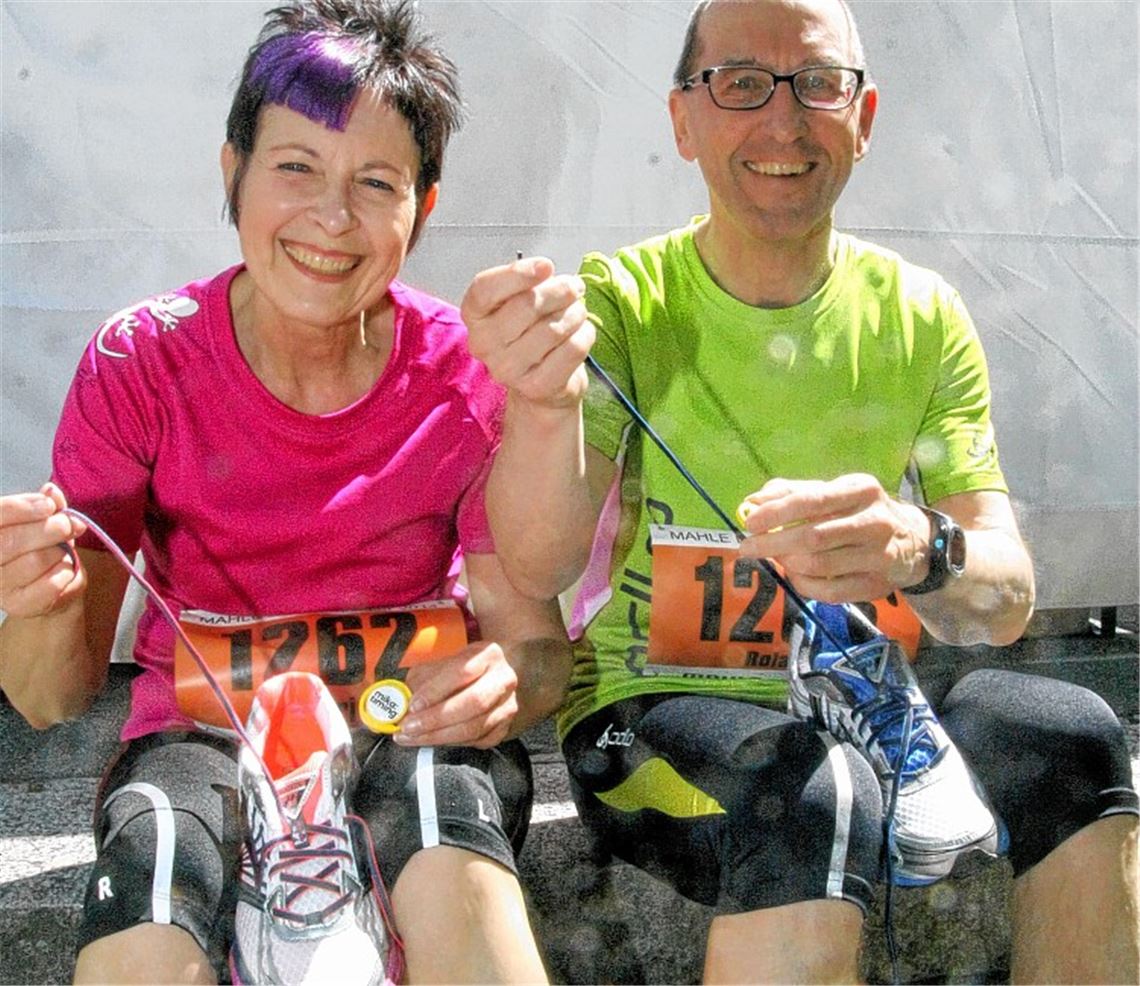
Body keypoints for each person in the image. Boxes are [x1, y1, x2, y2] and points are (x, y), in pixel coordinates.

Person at [460, 0, 1140, 982]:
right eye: (741, 83)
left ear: (863, 118)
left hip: (873, 701)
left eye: (818, 84)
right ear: (682, 121)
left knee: (1073, 737)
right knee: (813, 790)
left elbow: (1003, 596)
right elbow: (536, 559)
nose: (783, 119)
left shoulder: (920, 315)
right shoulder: (624, 302)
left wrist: (921, 548)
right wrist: (538, 401)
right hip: (652, 712)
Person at [0, 1, 570, 983]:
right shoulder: (141, 362)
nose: (332, 218)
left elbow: (536, 646)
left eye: (376, 182)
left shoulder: (467, 372)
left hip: (408, 724)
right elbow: (53, 693)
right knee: (151, 887)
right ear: (233, 174)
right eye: (295, 166)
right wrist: (31, 602)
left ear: (422, 210)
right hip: (197, 736)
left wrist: (508, 678)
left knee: (446, 830)